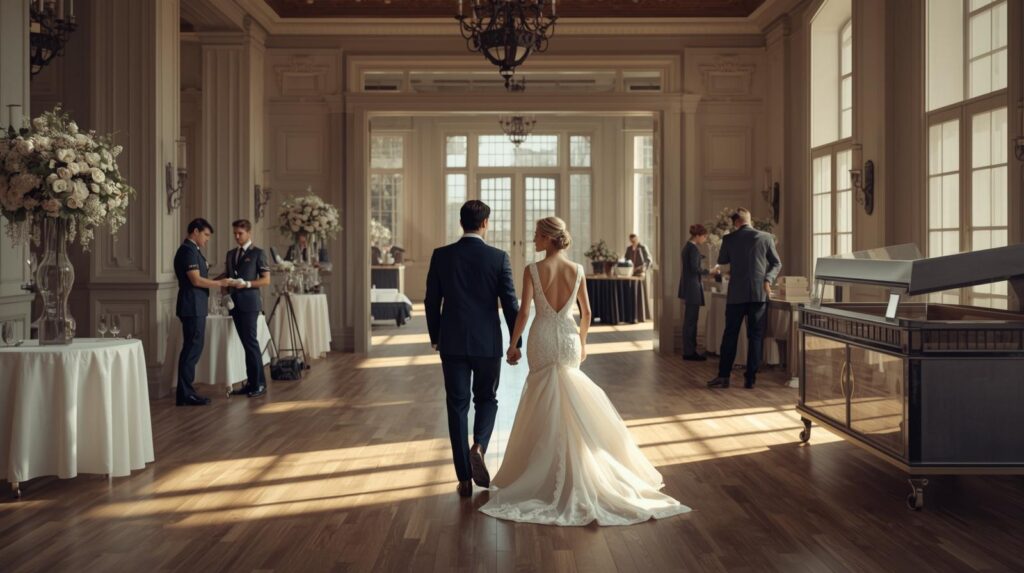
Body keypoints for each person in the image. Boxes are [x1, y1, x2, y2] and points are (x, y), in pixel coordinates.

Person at [479, 217, 690, 526]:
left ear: (549, 239)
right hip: (566, 338)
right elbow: (587, 312)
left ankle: (545, 472)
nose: (533, 239)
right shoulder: (576, 270)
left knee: (543, 398)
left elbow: (524, 312)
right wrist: (583, 341)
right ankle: (579, 465)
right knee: (569, 396)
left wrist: (513, 345)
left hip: (541, 338)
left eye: (537, 235)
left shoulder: (532, 270)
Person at [425, 200, 521, 498]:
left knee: (457, 406)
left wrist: (435, 336)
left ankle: (464, 478)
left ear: (461, 222)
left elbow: (431, 301)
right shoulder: (498, 258)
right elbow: (510, 304)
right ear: (485, 223)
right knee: (487, 399)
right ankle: (478, 445)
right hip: (486, 343)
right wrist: (515, 343)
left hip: (452, 341)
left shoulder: (441, 256)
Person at [707, 208, 782, 389]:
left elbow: (723, 259)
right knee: (755, 336)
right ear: (750, 220)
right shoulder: (766, 237)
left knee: (730, 335)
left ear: (735, 222)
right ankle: (750, 379)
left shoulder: (729, 239)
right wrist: (768, 279)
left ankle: (724, 376)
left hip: (736, 295)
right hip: (758, 294)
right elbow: (776, 263)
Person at [173, 218, 230, 406]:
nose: (207, 239)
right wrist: (219, 283)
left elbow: (202, 278)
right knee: (192, 348)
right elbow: (196, 281)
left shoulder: (194, 250)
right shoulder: (187, 251)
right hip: (191, 305)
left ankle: (186, 390)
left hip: (196, 305)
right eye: (205, 235)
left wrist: (223, 278)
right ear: (195, 231)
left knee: (194, 347)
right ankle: (185, 393)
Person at [219, 219, 272, 398]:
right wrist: (215, 283)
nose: (236, 236)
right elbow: (227, 275)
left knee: (251, 344)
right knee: (245, 345)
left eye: (240, 233)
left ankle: (259, 384)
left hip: (250, 304)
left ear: (249, 233)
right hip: (234, 304)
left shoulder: (258, 253)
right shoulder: (230, 254)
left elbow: (266, 280)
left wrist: (247, 283)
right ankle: (251, 383)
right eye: (234, 233)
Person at [678, 224, 716, 361]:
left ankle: (689, 350)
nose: (705, 239)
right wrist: (709, 272)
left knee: (689, 320)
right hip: (693, 287)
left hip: (688, 286)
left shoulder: (687, 247)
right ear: (698, 236)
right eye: (704, 236)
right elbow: (695, 269)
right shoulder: (693, 249)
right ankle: (689, 352)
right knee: (691, 321)